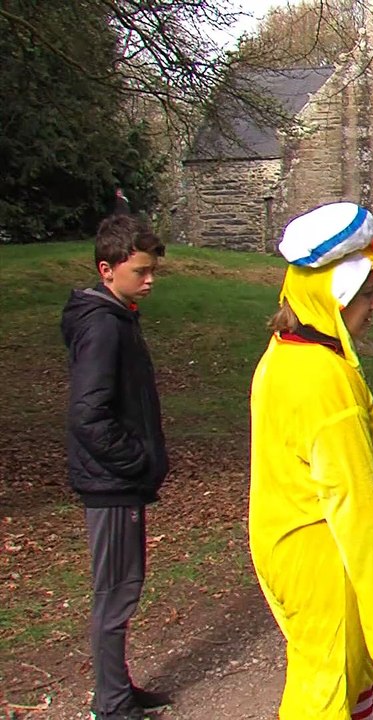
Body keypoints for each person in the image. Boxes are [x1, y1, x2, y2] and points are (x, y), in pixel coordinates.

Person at [249, 202, 373, 719]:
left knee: (329, 672)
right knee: (325, 685)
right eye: (369, 294)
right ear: (336, 297)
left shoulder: (285, 352)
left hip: (285, 541)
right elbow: (355, 503)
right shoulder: (324, 379)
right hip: (325, 552)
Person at [62, 214, 170, 720]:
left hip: (118, 482)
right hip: (111, 484)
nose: (150, 281)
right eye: (141, 272)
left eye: (153, 272)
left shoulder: (118, 316)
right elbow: (89, 413)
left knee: (123, 588)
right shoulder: (104, 325)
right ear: (107, 269)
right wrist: (135, 461)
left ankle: (118, 687)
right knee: (116, 592)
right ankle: (110, 702)